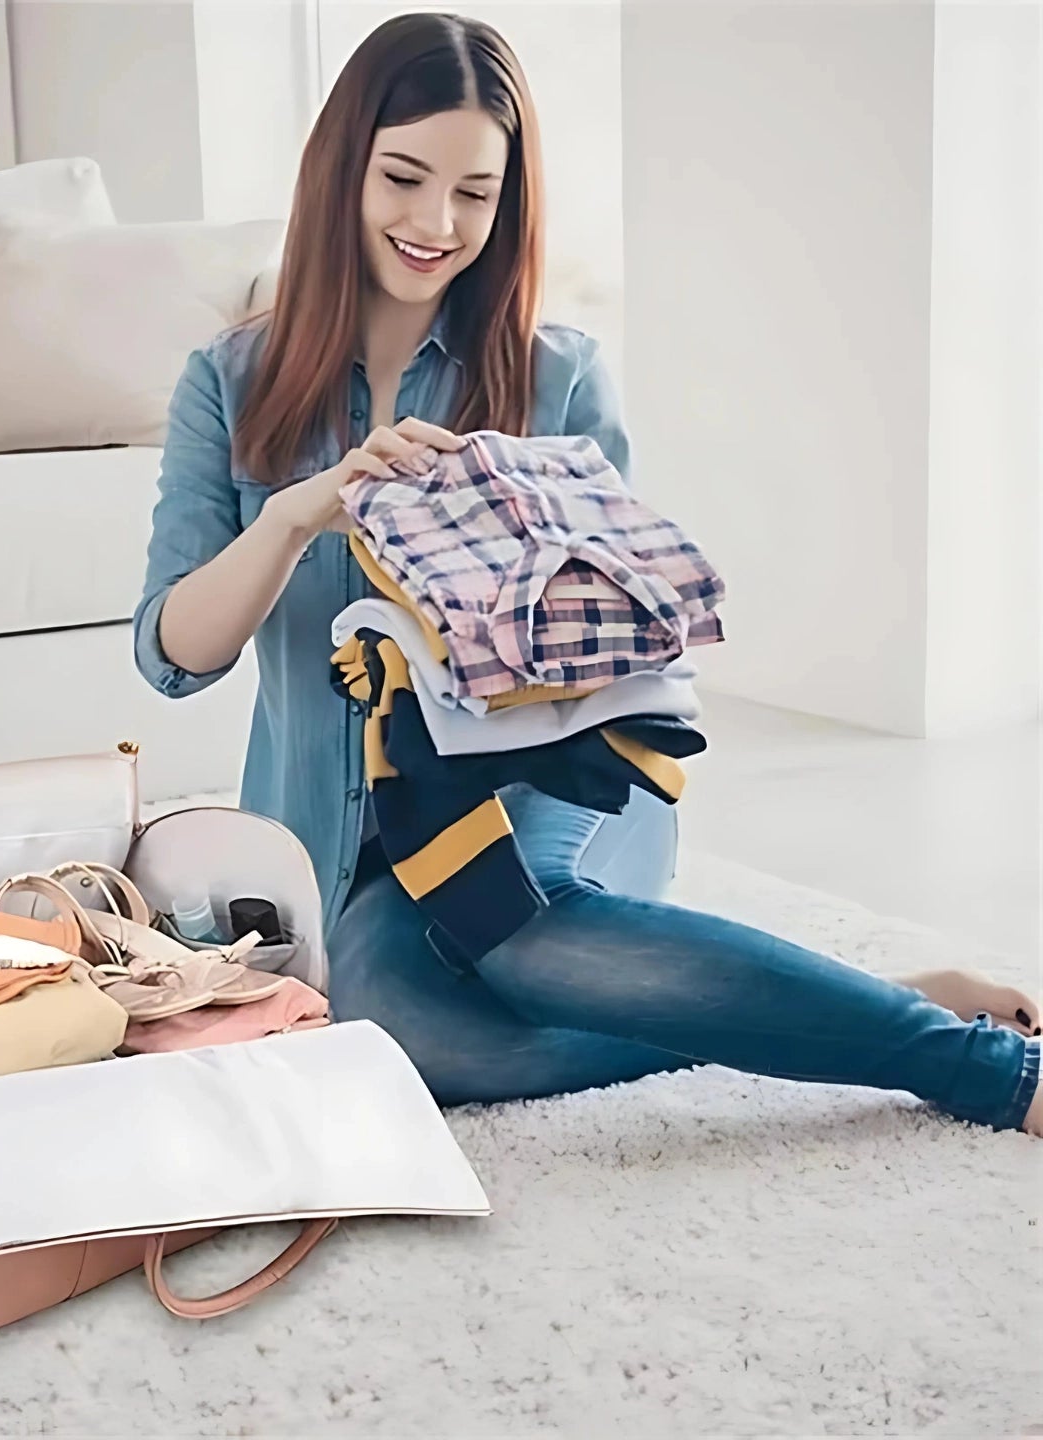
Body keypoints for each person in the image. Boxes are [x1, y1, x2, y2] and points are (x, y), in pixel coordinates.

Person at [134, 12, 1041, 1133]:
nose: (437, 223)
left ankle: (976, 1068)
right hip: (347, 838)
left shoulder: (556, 375)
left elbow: (624, 650)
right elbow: (176, 654)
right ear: (341, 172)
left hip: (552, 788)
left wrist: (493, 557)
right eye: (405, 178)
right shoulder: (229, 382)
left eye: (476, 192)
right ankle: (846, 1004)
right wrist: (295, 518)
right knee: (390, 1027)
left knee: (518, 928)